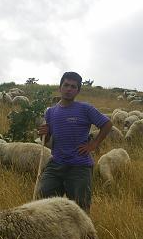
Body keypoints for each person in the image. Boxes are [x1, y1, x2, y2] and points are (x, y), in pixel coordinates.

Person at [36, 71, 113, 213]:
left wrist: (94, 144)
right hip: (56, 164)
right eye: (66, 85)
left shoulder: (85, 109)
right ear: (60, 87)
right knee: (43, 200)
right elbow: (46, 140)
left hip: (79, 166)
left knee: (81, 208)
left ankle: (82, 228)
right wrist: (43, 134)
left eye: (73, 86)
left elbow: (107, 124)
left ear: (78, 91)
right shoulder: (50, 112)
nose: (69, 89)